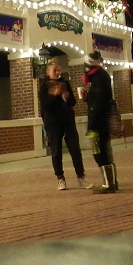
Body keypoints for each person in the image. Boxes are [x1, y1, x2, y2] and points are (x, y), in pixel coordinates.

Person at [39, 61, 91, 191]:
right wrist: (55, 95)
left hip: (68, 121)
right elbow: (45, 106)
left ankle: (81, 177)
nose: (57, 73)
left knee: (75, 150)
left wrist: (68, 97)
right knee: (56, 152)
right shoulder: (44, 86)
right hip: (53, 123)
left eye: (59, 70)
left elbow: (72, 102)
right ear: (48, 72)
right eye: (54, 70)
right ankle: (60, 178)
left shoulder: (65, 83)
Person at [83, 50, 118, 193]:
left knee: (99, 152)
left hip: (98, 123)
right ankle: (112, 182)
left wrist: (91, 127)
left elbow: (98, 104)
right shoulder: (100, 77)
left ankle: (108, 184)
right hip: (101, 122)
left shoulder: (98, 78)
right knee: (105, 151)